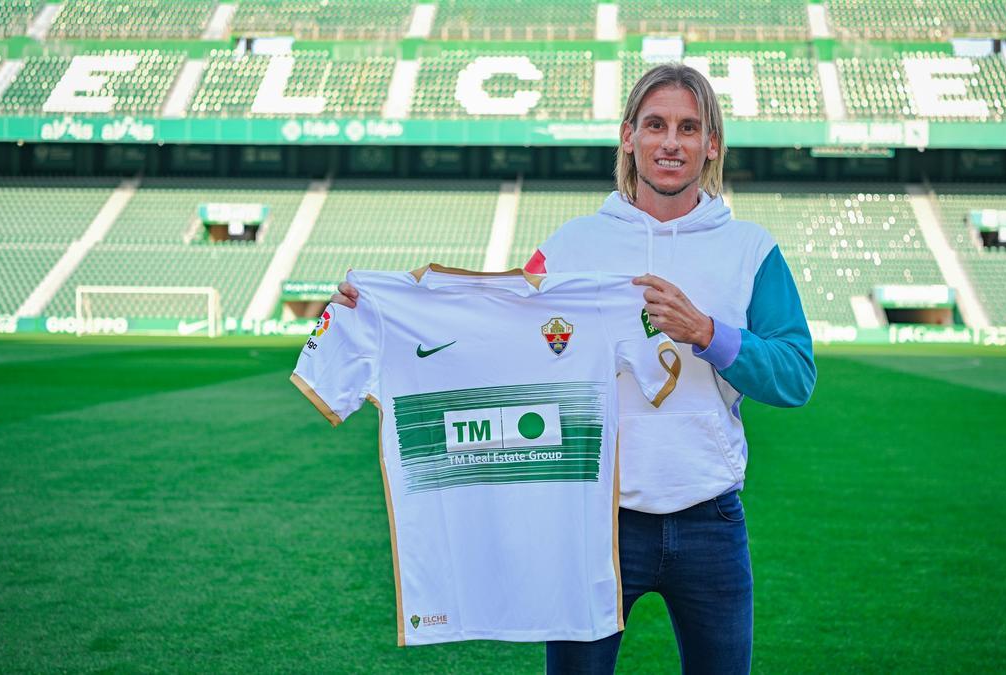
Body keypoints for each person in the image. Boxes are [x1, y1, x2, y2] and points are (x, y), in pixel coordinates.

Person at [333, 64, 815, 674]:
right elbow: (499, 327)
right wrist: (379, 310)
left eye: (689, 128)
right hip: (592, 517)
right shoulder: (572, 245)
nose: (671, 142)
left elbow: (796, 375)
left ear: (711, 143)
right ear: (628, 136)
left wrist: (709, 334)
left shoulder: (751, 249)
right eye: (656, 125)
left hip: (710, 517)